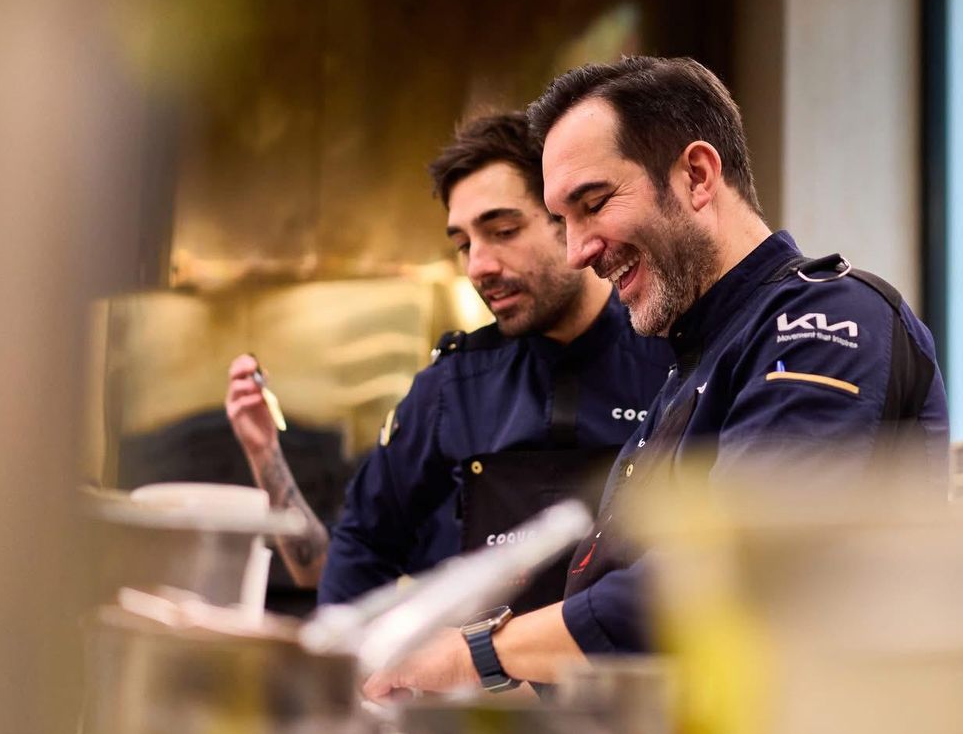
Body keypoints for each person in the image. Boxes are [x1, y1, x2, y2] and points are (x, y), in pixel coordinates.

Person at [362, 56, 948, 699]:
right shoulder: (691, 362)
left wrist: (476, 654)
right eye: (563, 221)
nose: (579, 250)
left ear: (697, 175)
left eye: (593, 204)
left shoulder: (826, 321)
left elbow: (728, 574)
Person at [224, 112, 673, 605]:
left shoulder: (673, 364)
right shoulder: (454, 386)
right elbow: (361, 544)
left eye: (502, 231)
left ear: (570, 217)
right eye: (463, 244)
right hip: (479, 680)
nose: (478, 266)